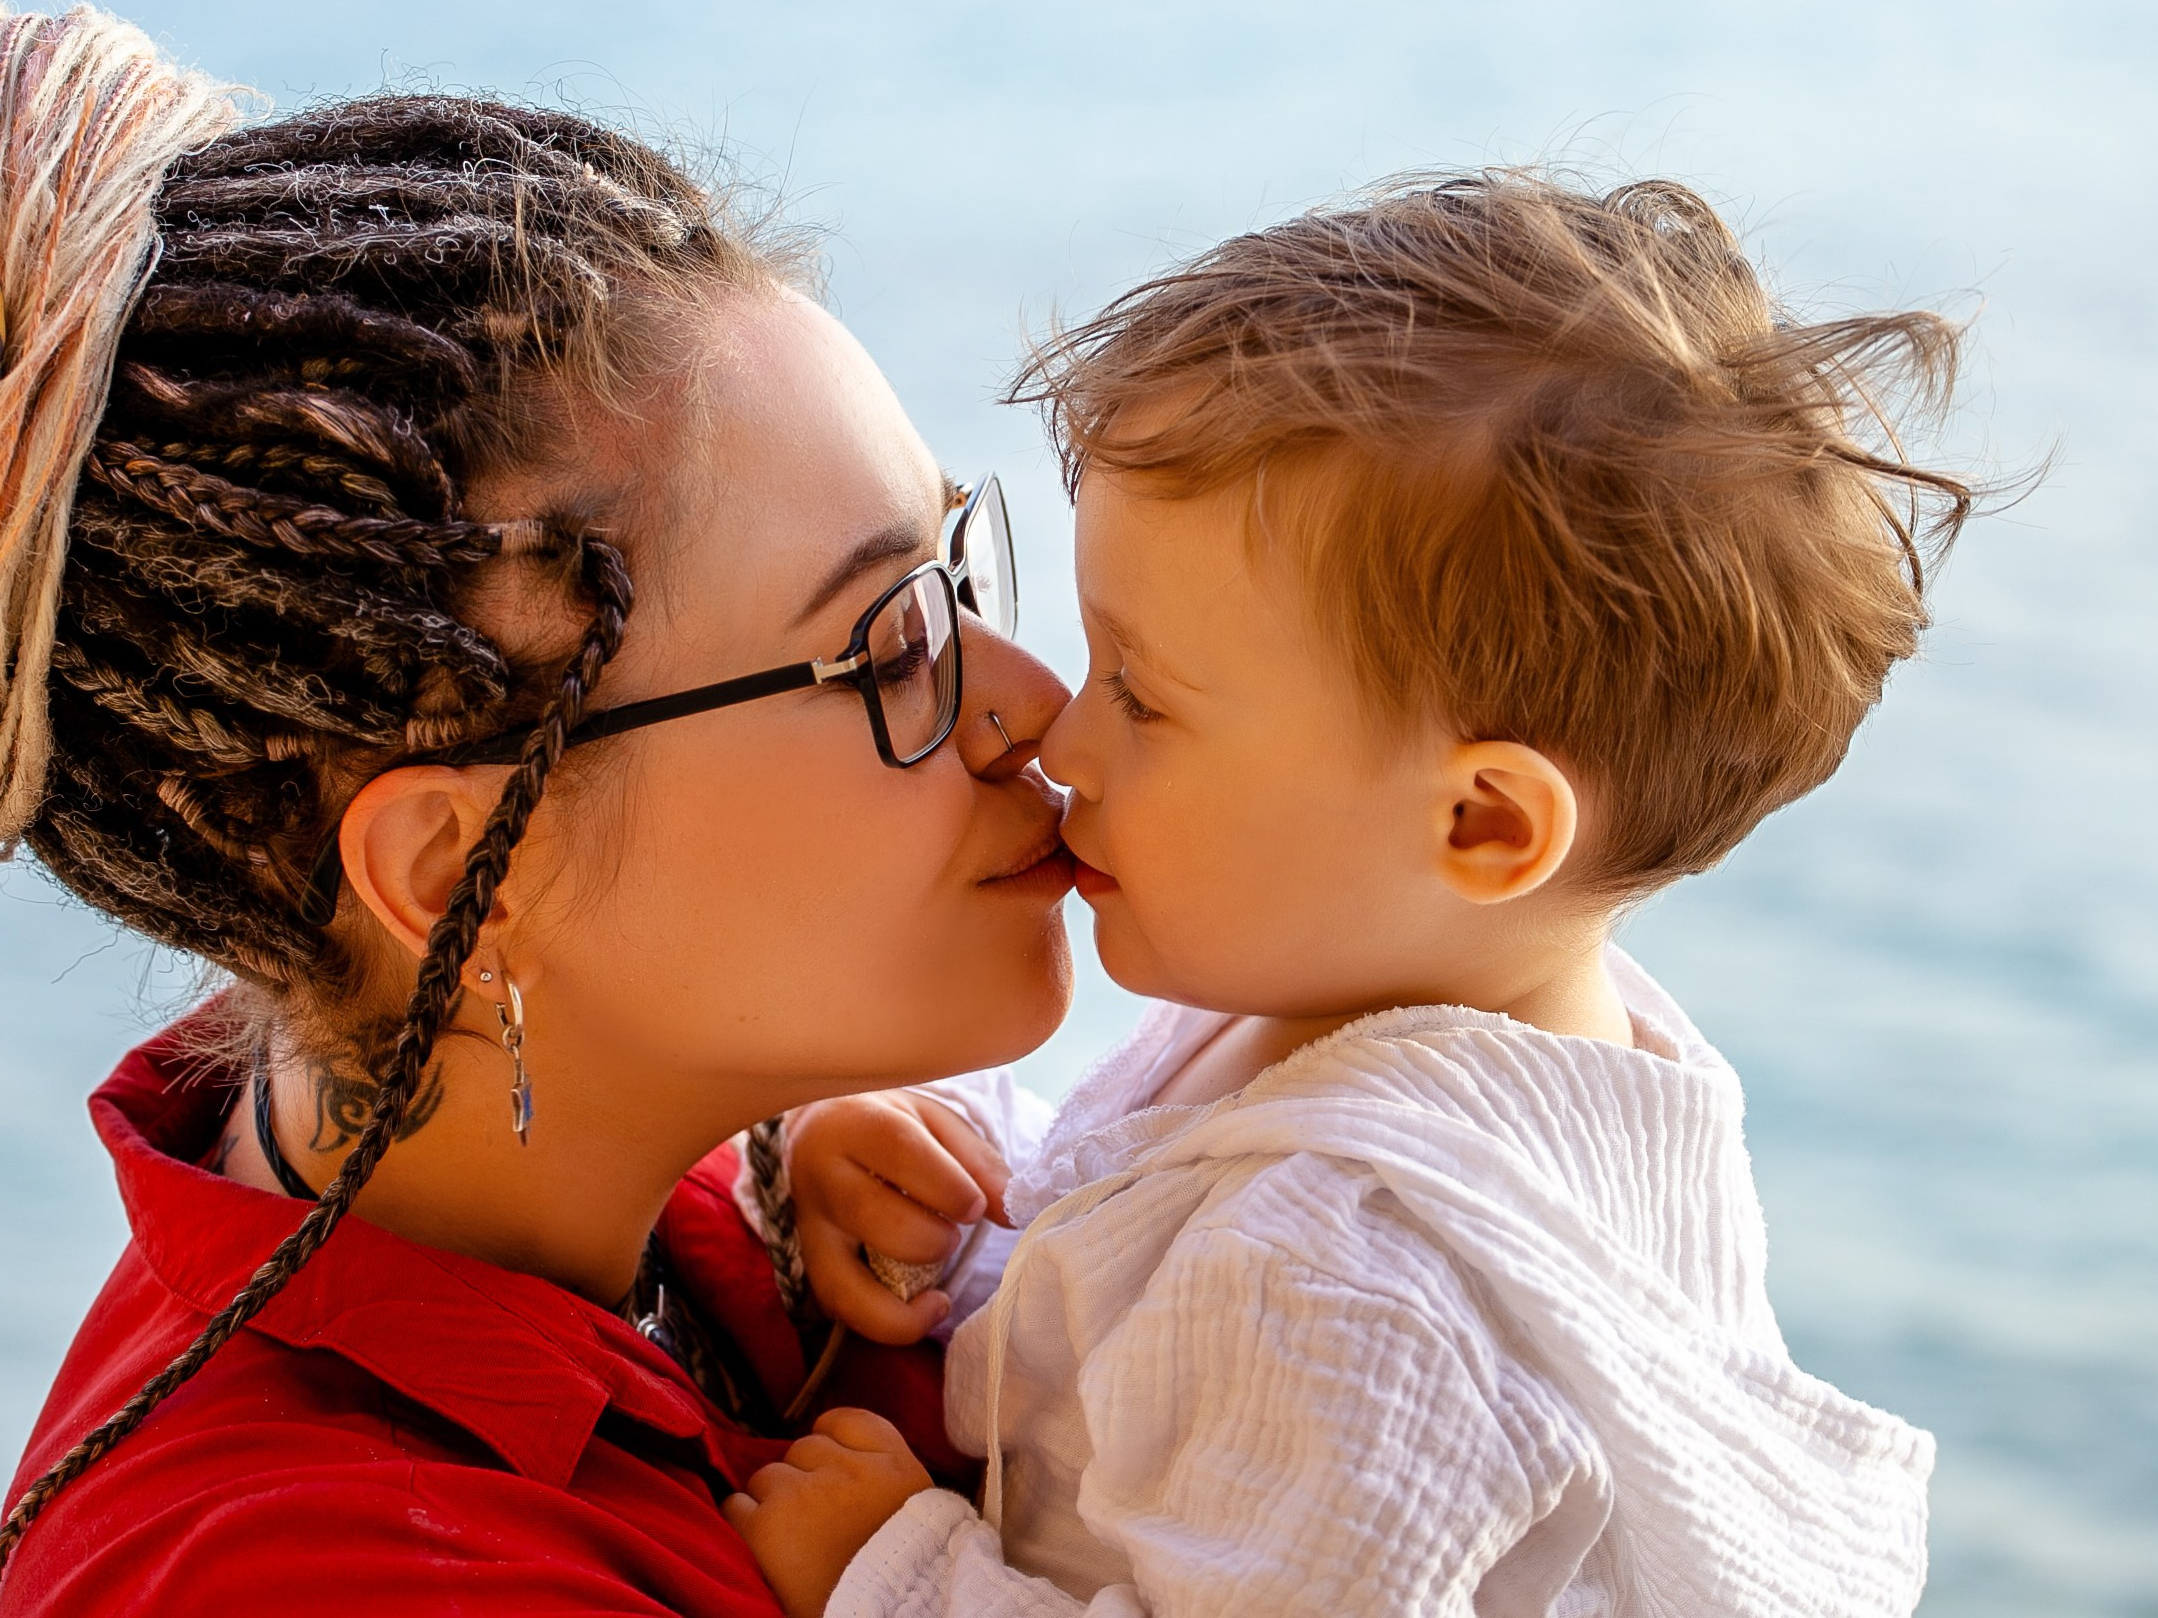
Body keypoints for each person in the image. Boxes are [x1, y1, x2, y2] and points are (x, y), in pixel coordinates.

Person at [0, 0, 1075, 1616]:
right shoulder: (331, 1577)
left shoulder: (682, 1176)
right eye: (890, 640)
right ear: (466, 868)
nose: (1031, 699)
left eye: (954, 563)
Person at [734, 172, 1980, 1616]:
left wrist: (897, 1579)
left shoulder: (1358, 1290)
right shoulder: (1499, 1037)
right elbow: (1157, 1203)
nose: (1062, 732)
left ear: (1479, 823)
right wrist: (954, 1176)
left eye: (1144, 695)